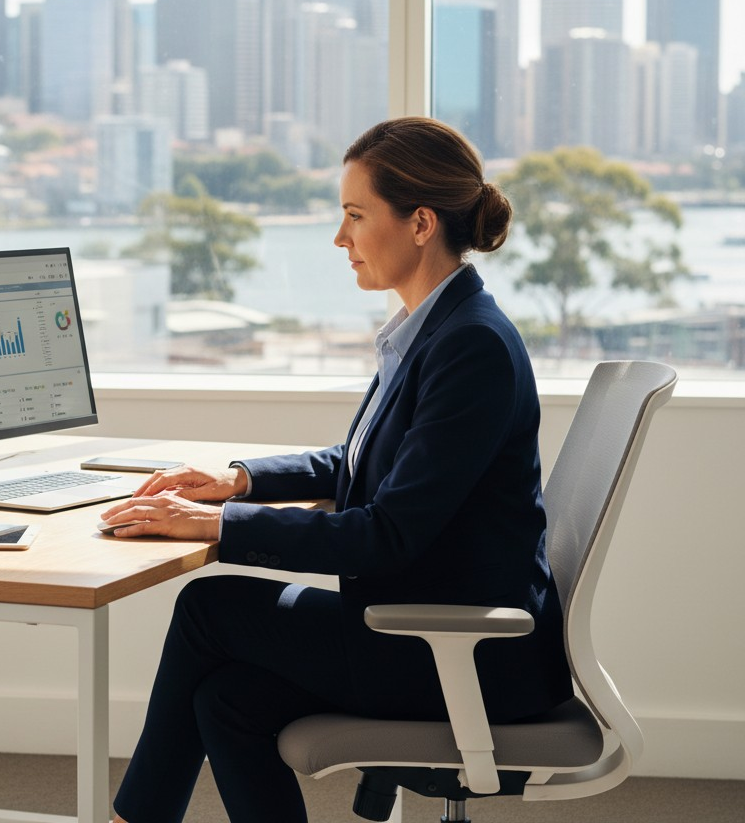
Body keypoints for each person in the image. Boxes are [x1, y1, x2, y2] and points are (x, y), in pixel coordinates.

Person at [100, 116, 574, 823]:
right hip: (423, 630)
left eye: (355, 216)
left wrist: (218, 526)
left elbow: (385, 535)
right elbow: (360, 463)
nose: (339, 238)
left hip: (464, 656)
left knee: (208, 607)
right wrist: (242, 481)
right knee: (225, 699)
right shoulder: (435, 329)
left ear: (419, 224)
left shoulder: (469, 347)